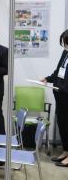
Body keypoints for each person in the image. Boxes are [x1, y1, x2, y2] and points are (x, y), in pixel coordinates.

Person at [42, 30, 68, 167]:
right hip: (60, 96)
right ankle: (65, 151)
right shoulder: (65, 53)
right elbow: (59, 71)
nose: (65, 45)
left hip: (66, 94)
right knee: (62, 125)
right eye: (64, 43)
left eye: (66, 42)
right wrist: (48, 78)